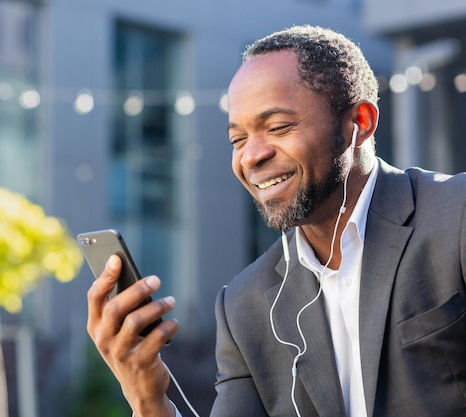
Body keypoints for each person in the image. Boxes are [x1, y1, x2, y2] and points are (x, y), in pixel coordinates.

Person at [86, 25, 466, 417]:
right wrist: (147, 398)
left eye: (278, 127)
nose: (251, 157)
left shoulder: (457, 216)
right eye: (238, 139)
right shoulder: (243, 305)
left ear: (360, 123)